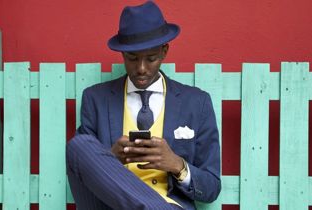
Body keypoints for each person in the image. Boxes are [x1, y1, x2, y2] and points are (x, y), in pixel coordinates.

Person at [66, 1, 221, 210]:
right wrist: (110, 158)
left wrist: (176, 164)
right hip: (108, 205)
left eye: (151, 58)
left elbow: (211, 187)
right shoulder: (96, 99)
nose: (141, 68)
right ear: (122, 54)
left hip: (169, 203)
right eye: (132, 58)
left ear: (164, 51)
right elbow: (84, 168)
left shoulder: (196, 103)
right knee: (78, 146)